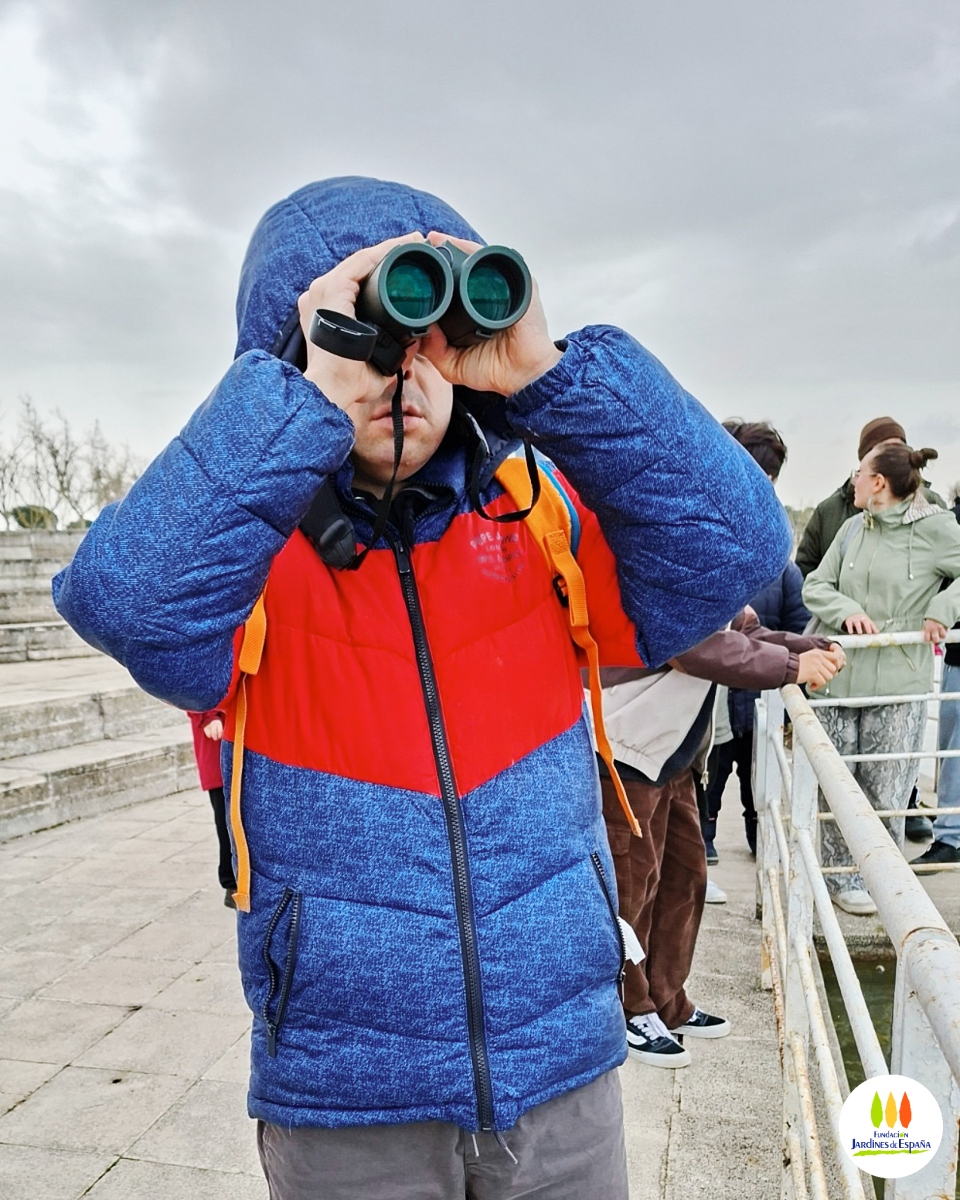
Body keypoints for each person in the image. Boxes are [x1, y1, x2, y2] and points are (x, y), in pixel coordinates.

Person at [52, 176, 790, 1200]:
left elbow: (738, 551)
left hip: (560, 1070)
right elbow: (129, 608)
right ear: (287, 352)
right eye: (364, 334)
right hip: (346, 1094)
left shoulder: (544, 520)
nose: (402, 367)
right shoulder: (241, 558)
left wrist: (541, 370)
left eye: (426, 335)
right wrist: (299, 400)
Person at [599, 610, 843, 1067]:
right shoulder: (670, 571)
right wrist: (792, 666)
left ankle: (667, 999)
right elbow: (689, 642)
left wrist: (806, 646)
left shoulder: (715, 576)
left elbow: (743, 630)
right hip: (627, 742)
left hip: (674, 750)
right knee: (633, 888)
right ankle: (630, 1009)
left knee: (685, 878)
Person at [803, 445, 960, 915]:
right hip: (839, 680)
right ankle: (840, 879)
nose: (852, 480)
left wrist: (943, 608)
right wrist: (846, 610)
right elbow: (816, 584)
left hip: (898, 684)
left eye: (860, 473)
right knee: (837, 787)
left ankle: (879, 881)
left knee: (884, 791)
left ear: (878, 483)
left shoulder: (937, 528)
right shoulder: (852, 528)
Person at [702, 421, 811, 861]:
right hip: (713, 694)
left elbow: (791, 623)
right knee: (709, 777)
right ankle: (706, 839)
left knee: (757, 785)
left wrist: (799, 657)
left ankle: (759, 843)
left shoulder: (781, 566)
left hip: (758, 697)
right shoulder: (709, 540)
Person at [795, 416, 945, 579]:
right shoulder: (829, 513)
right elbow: (806, 575)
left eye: (899, 450)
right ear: (866, 461)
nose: (894, 458)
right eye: (885, 452)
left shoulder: (932, 506)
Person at [914, 486, 960, 868]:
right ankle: (950, 832)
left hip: (956, 658)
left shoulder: (948, 522)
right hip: (955, 657)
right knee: (951, 749)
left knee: (952, 751)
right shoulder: (950, 522)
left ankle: (950, 835)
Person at [187, 707, 237, 907]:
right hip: (219, 735)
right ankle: (232, 883)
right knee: (227, 818)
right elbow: (188, 689)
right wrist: (207, 716)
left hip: (248, 732)